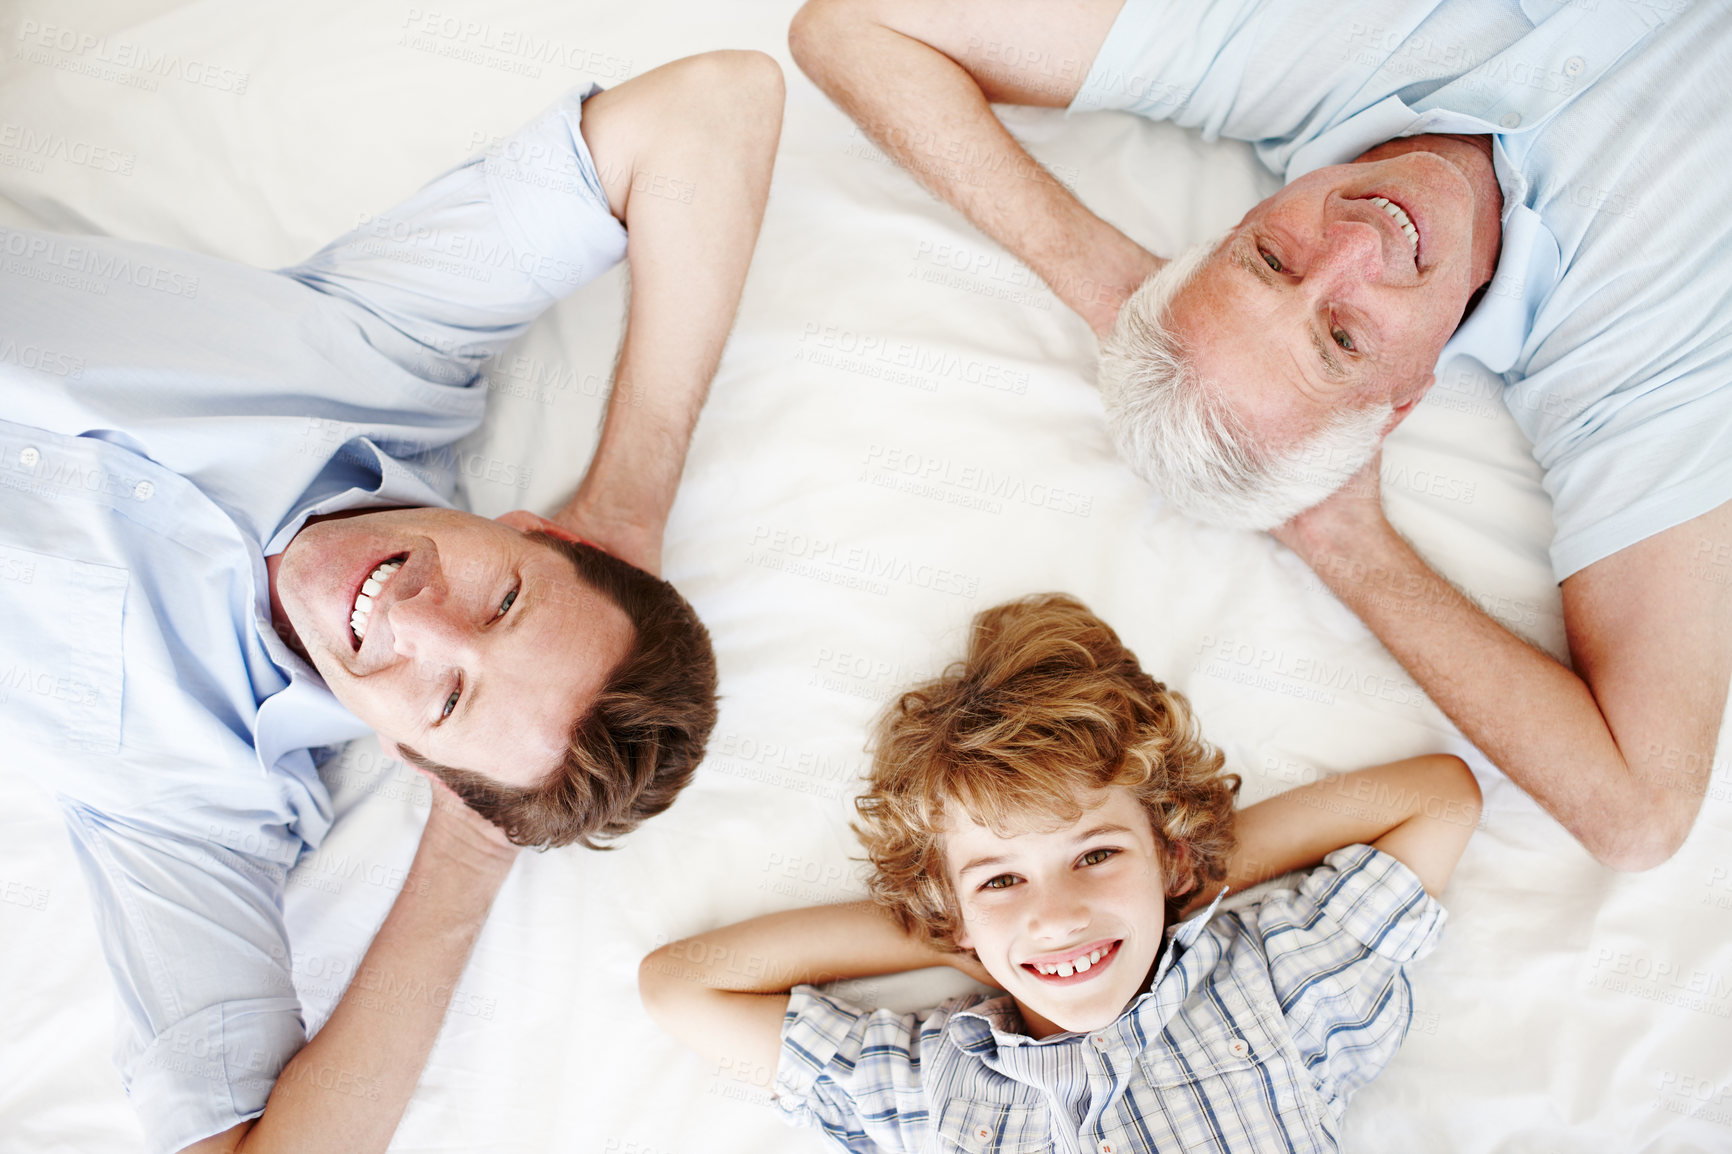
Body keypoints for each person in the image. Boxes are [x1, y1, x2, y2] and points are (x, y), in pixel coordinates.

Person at [0, 50, 783, 1154]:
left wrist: (461, 863)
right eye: (504, 600)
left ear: (418, 764)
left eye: (449, 700)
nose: (414, 620)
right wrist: (631, 493)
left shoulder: (196, 800)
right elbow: (720, 103)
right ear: (537, 531)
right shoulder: (385, 350)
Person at [786, 0, 1732, 871]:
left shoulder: (1281, 51)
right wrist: (1345, 538)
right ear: (1400, 408)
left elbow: (847, 29)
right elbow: (1638, 813)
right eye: (1343, 337)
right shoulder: (1628, 366)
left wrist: (1109, 284)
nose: (1357, 243)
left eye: (1269, 261)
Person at [640, 593, 1481, 1151]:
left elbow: (1439, 799)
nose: (1058, 914)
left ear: (1169, 850)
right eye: (1002, 879)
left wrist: (1179, 885)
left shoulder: (1272, 989)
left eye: (1096, 854)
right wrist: (952, 938)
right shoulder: (938, 1093)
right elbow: (682, 987)